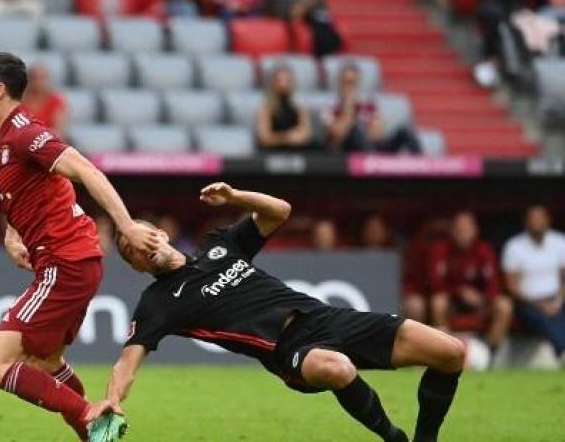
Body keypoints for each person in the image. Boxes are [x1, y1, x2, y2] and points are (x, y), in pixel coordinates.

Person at [92, 182, 466, 442]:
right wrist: (113, 398)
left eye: (139, 238)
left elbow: (280, 211)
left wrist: (236, 196)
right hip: (286, 350)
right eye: (128, 252)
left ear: (160, 232)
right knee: (337, 368)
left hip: (323, 317)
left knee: (451, 353)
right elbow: (127, 361)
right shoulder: (158, 303)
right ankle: (392, 437)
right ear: (136, 267)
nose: (138, 249)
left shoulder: (218, 245)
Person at [0, 52, 159, 440]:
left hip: (64, 261)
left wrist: (127, 226)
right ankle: (95, 435)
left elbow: (86, 170)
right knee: (47, 361)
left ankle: (91, 415)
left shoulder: (26, 133)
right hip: (69, 261)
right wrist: (11, 232)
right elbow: (15, 191)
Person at [429, 211, 513, 358]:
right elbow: (435, 283)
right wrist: (458, 292)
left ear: (475, 230)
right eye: (459, 230)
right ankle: (442, 353)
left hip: (481, 304)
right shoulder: (441, 250)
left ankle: (489, 354)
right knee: (438, 302)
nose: (463, 234)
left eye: (467, 230)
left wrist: (481, 299)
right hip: (452, 304)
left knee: (504, 305)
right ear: (452, 231)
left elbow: (494, 284)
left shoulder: (484, 250)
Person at [502, 205, 565, 363]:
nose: (536, 222)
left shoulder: (560, 242)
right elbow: (511, 285)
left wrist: (558, 302)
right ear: (526, 222)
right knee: (541, 317)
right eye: (533, 219)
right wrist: (539, 304)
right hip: (528, 303)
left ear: (548, 220)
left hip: (557, 300)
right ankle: (563, 350)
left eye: (540, 218)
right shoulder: (514, 246)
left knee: (557, 315)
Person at [323, 62, 422, 154]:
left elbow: (377, 134)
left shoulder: (369, 107)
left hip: (374, 148)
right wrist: (348, 107)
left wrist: (369, 130)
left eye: (353, 83)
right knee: (355, 129)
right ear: (340, 84)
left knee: (404, 131)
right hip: (348, 154)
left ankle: (423, 166)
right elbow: (338, 136)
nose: (350, 87)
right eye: (347, 82)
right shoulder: (330, 110)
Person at [474, 0, 537, 87]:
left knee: (519, 21)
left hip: (516, 7)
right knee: (499, 21)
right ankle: (499, 62)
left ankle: (520, 64)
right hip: (492, 6)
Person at [256, 65, 314, 151]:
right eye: (279, 81)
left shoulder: (299, 107)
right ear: (273, 83)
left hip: (298, 149)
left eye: (287, 81)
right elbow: (264, 138)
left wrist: (296, 138)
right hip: (273, 151)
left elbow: (306, 134)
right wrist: (286, 137)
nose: (283, 85)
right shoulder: (266, 108)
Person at [22, 64, 68, 135]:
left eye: (42, 79)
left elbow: (59, 130)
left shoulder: (56, 101)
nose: (38, 83)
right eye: (35, 78)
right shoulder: (18, 102)